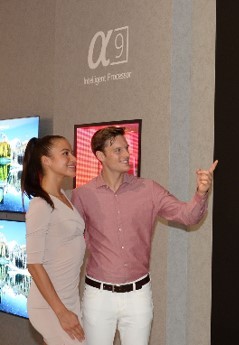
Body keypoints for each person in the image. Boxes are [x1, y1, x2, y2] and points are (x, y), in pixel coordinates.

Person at [71, 126, 217, 345]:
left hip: (138, 296)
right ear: (100, 156)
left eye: (126, 148)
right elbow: (74, 245)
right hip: (98, 296)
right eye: (118, 150)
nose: (126, 154)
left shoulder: (148, 189)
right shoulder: (82, 195)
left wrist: (201, 193)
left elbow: (188, 216)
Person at [23, 135, 86, 344]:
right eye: (65, 154)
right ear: (46, 160)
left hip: (69, 299)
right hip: (51, 306)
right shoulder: (40, 205)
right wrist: (61, 313)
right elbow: (33, 264)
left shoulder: (63, 197)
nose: (74, 159)